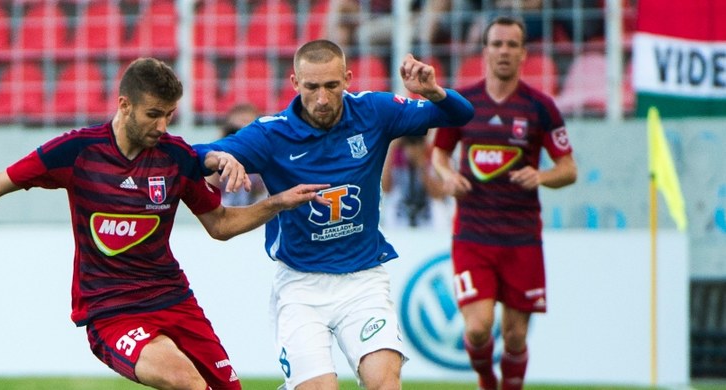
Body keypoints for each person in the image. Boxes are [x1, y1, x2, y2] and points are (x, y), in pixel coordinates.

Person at [0, 57, 329, 390]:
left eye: (169, 115)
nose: (162, 126)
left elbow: (221, 224)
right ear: (124, 104)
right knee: (186, 382)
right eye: (153, 115)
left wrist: (278, 203)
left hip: (174, 299)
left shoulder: (176, 157)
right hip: (111, 311)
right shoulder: (76, 152)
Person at [194, 39, 474, 389]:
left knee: (385, 383)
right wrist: (221, 157)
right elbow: (196, 154)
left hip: (363, 280)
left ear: (348, 78)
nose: (322, 98)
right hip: (300, 285)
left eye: (331, 85)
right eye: (311, 87)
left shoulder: (374, 112)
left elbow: (461, 114)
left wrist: (433, 91)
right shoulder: (270, 133)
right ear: (295, 84)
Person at [430, 16, 577, 390]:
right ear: (485, 51)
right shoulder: (462, 105)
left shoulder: (540, 107)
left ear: (524, 53)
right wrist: (448, 177)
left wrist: (541, 176)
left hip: (522, 238)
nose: (504, 51)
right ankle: (485, 380)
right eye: (497, 44)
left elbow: (569, 169)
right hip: (472, 235)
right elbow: (439, 154)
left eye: (512, 45)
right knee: (478, 329)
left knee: (514, 338)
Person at [207, 103, 268, 206]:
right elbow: (209, 187)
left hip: (257, 209)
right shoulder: (220, 152)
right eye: (237, 130)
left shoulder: (264, 151)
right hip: (225, 209)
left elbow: (266, 189)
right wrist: (222, 144)